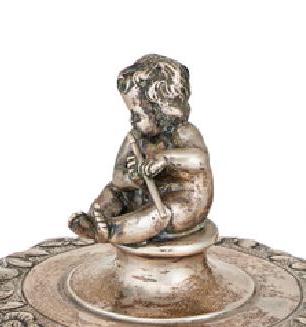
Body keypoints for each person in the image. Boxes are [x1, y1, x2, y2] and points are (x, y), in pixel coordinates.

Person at [69, 54, 213, 246]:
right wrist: (132, 179)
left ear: (161, 110)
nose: (131, 121)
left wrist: (165, 158)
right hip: (143, 197)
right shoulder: (135, 137)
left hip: (182, 205)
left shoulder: (183, 133)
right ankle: (95, 220)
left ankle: (113, 231)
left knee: (159, 215)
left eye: (136, 114)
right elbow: (117, 176)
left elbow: (200, 160)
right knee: (113, 191)